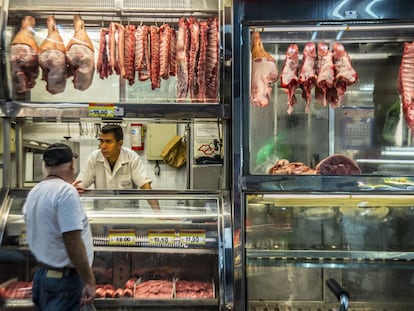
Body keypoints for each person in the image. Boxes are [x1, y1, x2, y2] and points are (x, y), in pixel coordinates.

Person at [23, 143, 95, 310]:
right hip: (64, 281)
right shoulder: (66, 192)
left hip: (42, 276)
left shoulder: (35, 192)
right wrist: (89, 280)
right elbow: (72, 241)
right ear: (71, 164)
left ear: (46, 165)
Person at [75, 124, 160, 211]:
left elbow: (145, 186)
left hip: (127, 215)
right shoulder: (94, 158)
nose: (103, 146)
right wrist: (73, 189)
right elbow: (80, 185)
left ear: (120, 144)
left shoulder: (131, 157)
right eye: (101, 141)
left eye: (108, 142)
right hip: (102, 214)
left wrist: (159, 214)